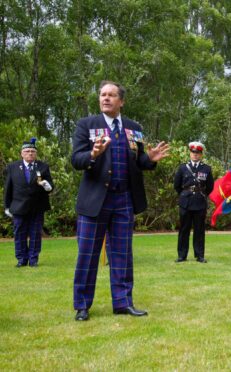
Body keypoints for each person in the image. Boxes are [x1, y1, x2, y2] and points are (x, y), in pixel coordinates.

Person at [71, 80, 170, 321]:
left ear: (121, 101)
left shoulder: (133, 128)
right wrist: (92, 155)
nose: (105, 98)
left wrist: (151, 159)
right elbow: (76, 159)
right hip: (95, 200)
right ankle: (82, 305)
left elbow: (137, 162)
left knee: (122, 254)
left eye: (111, 95)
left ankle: (123, 303)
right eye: (102, 94)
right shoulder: (87, 125)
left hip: (124, 200)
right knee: (87, 254)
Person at [4, 138, 54, 267]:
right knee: (19, 234)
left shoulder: (43, 167)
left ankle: (33, 260)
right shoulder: (12, 167)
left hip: (37, 207)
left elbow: (51, 186)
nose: (30, 153)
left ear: (36, 153)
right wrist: (7, 206)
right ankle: (21, 259)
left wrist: (46, 185)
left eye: (32, 151)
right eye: (27, 151)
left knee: (35, 234)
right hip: (18, 207)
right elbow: (8, 188)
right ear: (22, 153)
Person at [173, 141, 214, 263]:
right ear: (190, 153)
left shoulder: (206, 169)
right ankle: (182, 255)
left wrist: (201, 195)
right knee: (184, 230)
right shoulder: (182, 168)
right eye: (193, 152)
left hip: (199, 203)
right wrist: (185, 194)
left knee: (199, 230)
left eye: (198, 153)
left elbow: (210, 187)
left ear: (201, 154)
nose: (195, 155)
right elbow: (177, 186)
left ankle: (199, 255)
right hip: (185, 203)